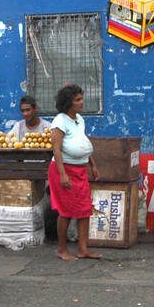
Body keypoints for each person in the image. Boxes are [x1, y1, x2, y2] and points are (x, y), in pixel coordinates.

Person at [48, 84, 101, 261]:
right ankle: (62, 249)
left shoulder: (79, 119)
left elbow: (83, 142)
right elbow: (56, 150)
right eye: (77, 99)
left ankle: (83, 249)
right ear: (68, 102)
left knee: (84, 209)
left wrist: (92, 165)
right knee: (66, 211)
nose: (81, 102)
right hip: (64, 170)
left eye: (81, 98)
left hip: (80, 170)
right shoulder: (59, 121)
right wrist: (62, 174)